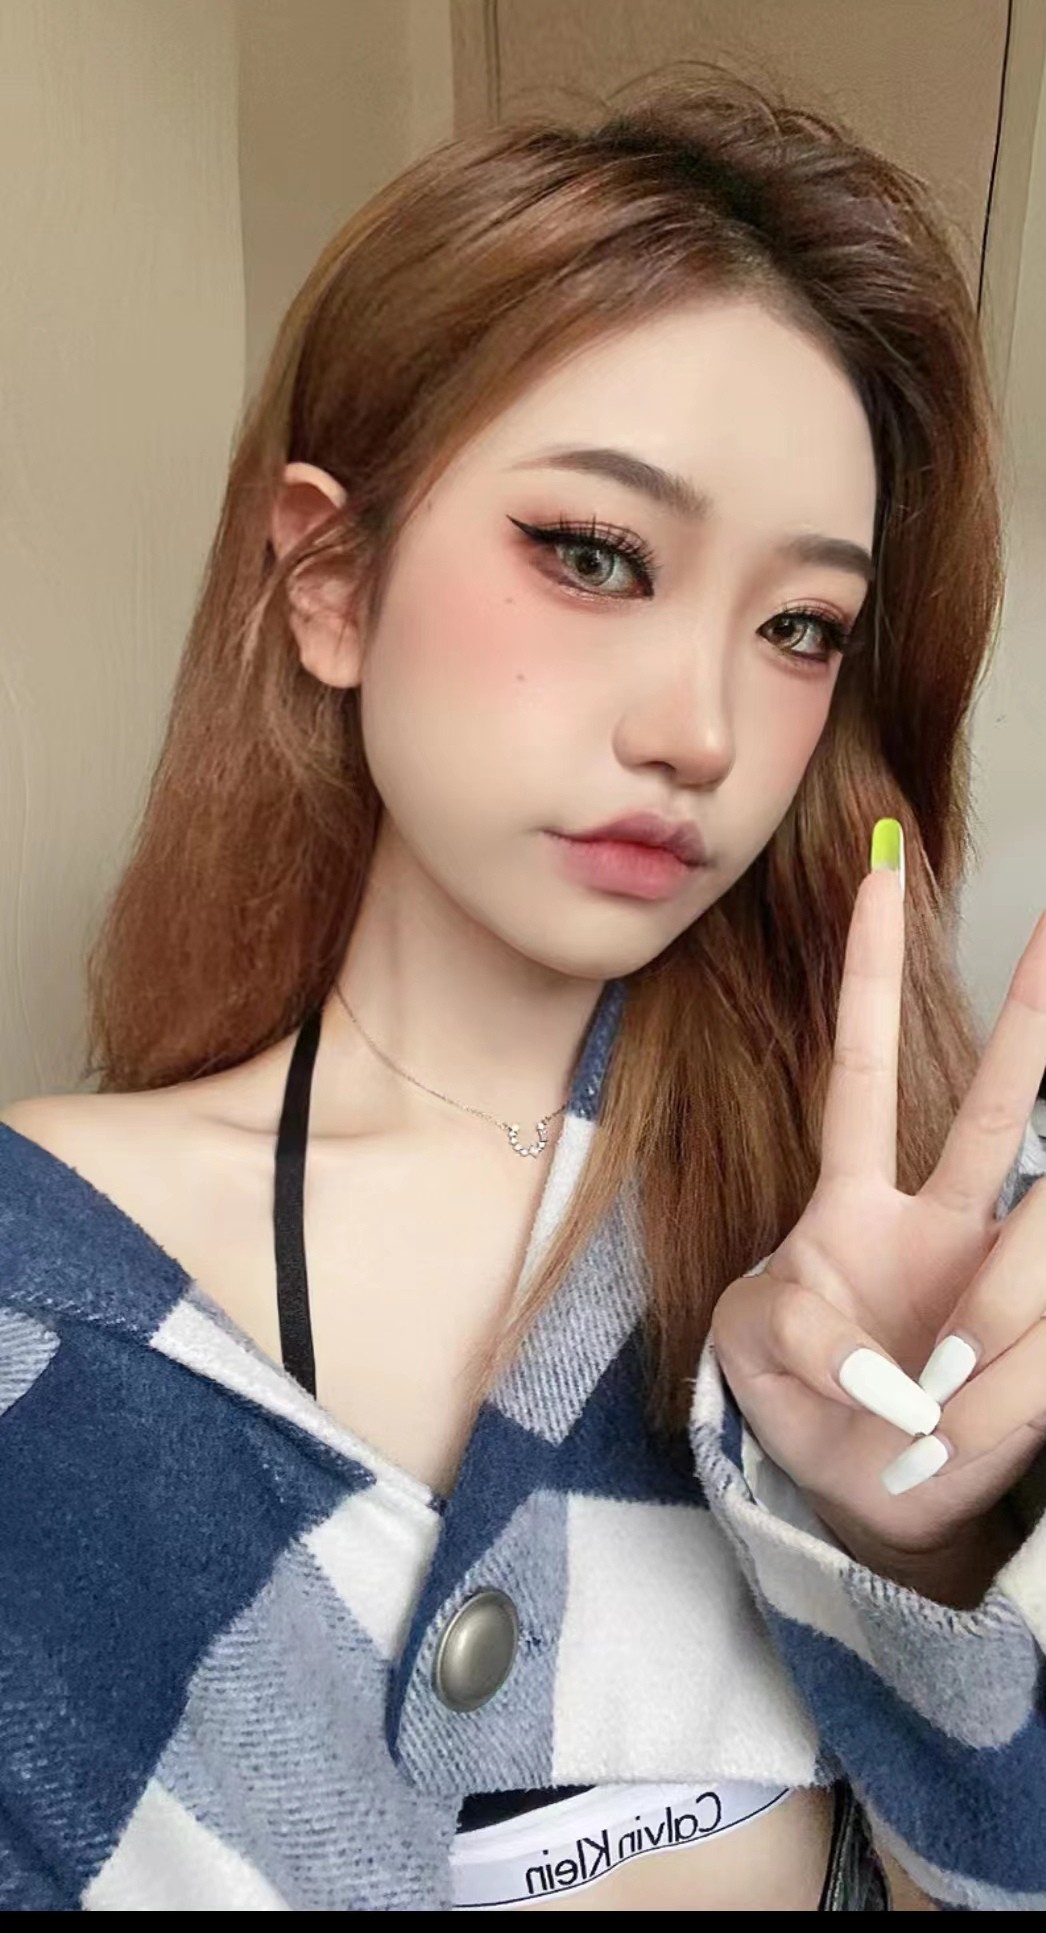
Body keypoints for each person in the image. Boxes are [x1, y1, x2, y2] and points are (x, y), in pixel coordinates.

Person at [1, 68, 1044, 1914]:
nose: (701, 728)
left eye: (798, 626)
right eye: (591, 554)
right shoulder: (40, 1296)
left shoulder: (934, 1279)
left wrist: (922, 1563)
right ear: (330, 580)